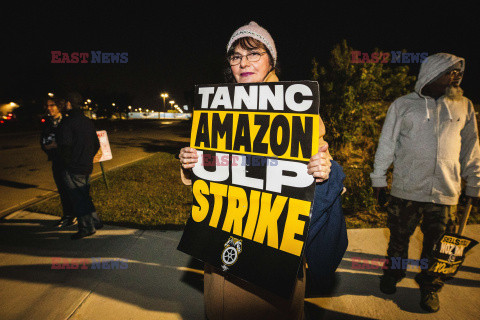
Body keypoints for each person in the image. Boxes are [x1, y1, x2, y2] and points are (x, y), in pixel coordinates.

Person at [179, 21, 339, 320]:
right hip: (224, 235)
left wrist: (322, 167)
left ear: (271, 60)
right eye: (235, 56)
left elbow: (319, 161)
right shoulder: (216, 107)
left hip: (274, 239)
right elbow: (216, 166)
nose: (244, 63)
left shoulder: (298, 107)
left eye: (254, 54)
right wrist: (192, 162)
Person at [370, 53, 480, 313]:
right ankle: (393, 274)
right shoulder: (403, 105)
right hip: (406, 190)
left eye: (459, 72)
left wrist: (474, 184)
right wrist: (378, 179)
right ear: (432, 72)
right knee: (398, 239)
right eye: (450, 71)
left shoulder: (464, 106)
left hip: (446, 192)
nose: (456, 76)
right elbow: (387, 144)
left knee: (438, 246)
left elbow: (472, 148)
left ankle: (430, 284)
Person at [57, 93, 103, 240]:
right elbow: (96, 144)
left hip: (73, 168)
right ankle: (95, 221)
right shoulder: (88, 121)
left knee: (78, 199)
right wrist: (87, 157)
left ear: (69, 104)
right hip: (86, 165)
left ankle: (86, 228)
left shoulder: (67, 123)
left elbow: (65, 147)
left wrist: (68, 164)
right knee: (84, 195)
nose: (63, 105)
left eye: (64, 103)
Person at [40, 97, 76, 228]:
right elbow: (43, 141)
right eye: (47, 106)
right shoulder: (48, 123)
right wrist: (47, 147)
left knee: (71, 189)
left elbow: (73, 142)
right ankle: (67, 215)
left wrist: (58, 145)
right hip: (56, 161)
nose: (49, 108)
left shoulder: (67, 121)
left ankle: (75, 215)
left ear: (59, 107)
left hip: (68, 161)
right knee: (62, 189)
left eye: (52, 105)